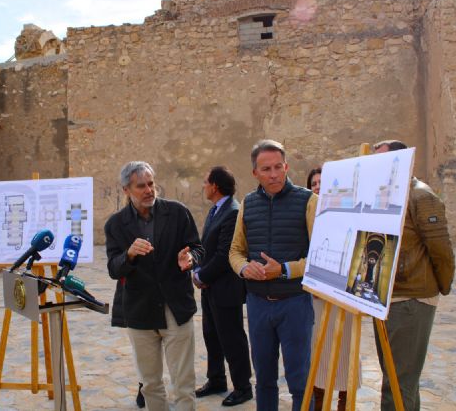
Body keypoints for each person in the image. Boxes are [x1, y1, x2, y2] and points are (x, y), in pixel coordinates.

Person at [105, 161, 204, 411]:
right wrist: (129, 255)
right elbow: (113, 269)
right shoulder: (115, 225)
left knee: (184, 383)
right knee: (150, 384)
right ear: (127, 190)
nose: (149, 190)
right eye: (141, 186)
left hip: (175, 307)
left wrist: (190, 259)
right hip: (140, 311)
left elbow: (198, 248)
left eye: (151, 183)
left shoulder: (178, 212)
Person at [229, 140, 317, 411]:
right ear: (255, 172)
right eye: (266, 169)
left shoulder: (308, 201)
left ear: (286, 166)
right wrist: (245, 268)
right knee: (264, 380)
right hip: (258, 304)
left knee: (300, 380)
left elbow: (319, 256)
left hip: (295, 304)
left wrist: (285, 269)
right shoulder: (248, 204)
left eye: (278, 167)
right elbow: (235, 251)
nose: (274, 174)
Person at [372, 140, 455, 411]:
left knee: (398, 384)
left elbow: (441, 251)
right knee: (397, 380)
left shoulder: (421, 196)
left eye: (382, 161)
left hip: (410, 300)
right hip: (387, 298)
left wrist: (438, 288)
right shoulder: (386, 195)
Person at [193, 166, 253, 407]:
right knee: (212, 335)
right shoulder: (216, 210)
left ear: (215, 185)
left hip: (226, 288)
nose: (203, 186)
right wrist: (197, 268)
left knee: (232, 338)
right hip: (211, 288)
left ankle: (243, 387)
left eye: (205, 181)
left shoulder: (232, 212)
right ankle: (216, 379)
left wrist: (201, 276)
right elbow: (207, 248)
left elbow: (225, 254)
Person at [306, 167, 361, 411]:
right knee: (319, 353)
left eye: (321, 182)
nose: (317, 186)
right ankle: (319, 402)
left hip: (344, 296)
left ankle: (344, 404)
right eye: (313, 183)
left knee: (346, 353)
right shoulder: (307, 217)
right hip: (317, 297)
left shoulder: (347, 217)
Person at [110, 280, 145, 408]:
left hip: (166, 292)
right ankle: (143, 383)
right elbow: (115, 266)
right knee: (139, 347)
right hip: (134, 293)